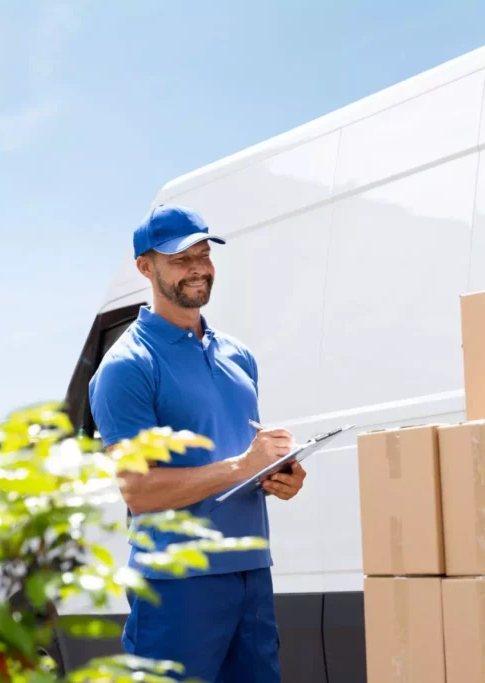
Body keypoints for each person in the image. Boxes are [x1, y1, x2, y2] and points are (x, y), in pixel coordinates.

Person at [88, 204, 306, 682]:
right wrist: (242, 466)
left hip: (251, 572)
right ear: (146, 267)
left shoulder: (238, 356)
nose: (199, 268)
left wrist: (277, 473)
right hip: (175, 585)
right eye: (181, 258)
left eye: (204, 255)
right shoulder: (128, 366)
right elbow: (138, 491)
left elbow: (242, 451)